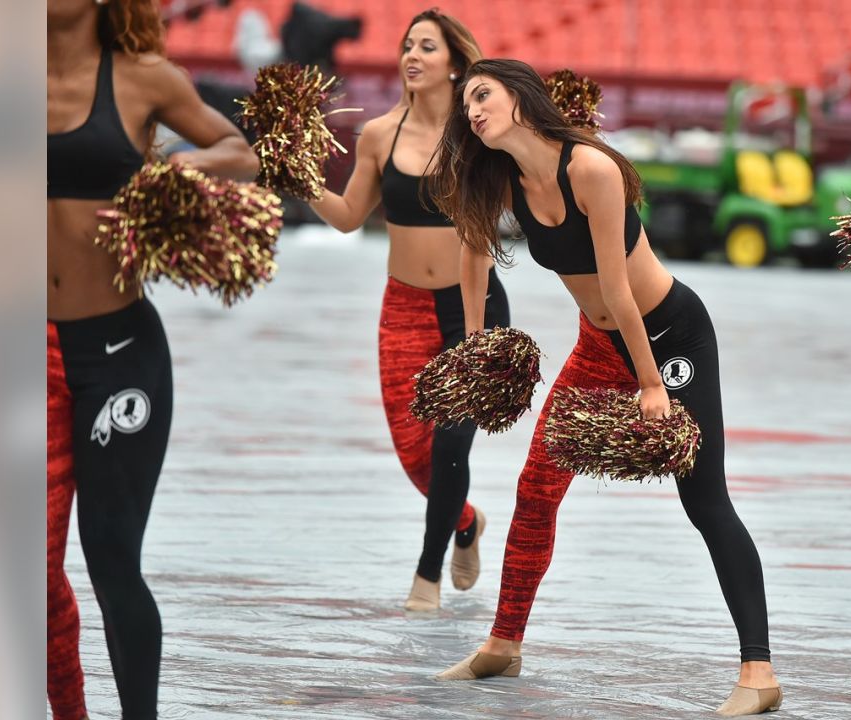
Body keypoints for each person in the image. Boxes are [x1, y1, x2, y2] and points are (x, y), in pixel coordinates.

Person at [427, 59, 781, 716]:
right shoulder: (504, 177)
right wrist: (476, 345)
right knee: (535, 490)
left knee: (704, 501)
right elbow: (472, 249)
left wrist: (649, 384)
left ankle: (758, 672)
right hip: (598, 343)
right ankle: (504, 643)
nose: (472, 110)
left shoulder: (590, 168)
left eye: (483, 94)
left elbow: (619, 291)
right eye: (465, 104)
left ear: (520, 96)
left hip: (669, 338)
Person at [47, 0, 259, 718]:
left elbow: (243, 152)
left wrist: (176, 169)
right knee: (23, 566)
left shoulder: (145, 78)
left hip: (118, 352)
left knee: (110, 559)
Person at [308, 9, 509, 611]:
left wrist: (474, 341)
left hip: (473, 306)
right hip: (404, 306)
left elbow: (477, 241)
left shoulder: (473, 134)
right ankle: (466, 522)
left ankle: (426, 576)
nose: (413, 56)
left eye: (428, 46)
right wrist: (297, 178)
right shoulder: (378, 133)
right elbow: (348, 217)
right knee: (414, 452)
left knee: (451, 442)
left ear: (454, 64)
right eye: (407, 46)